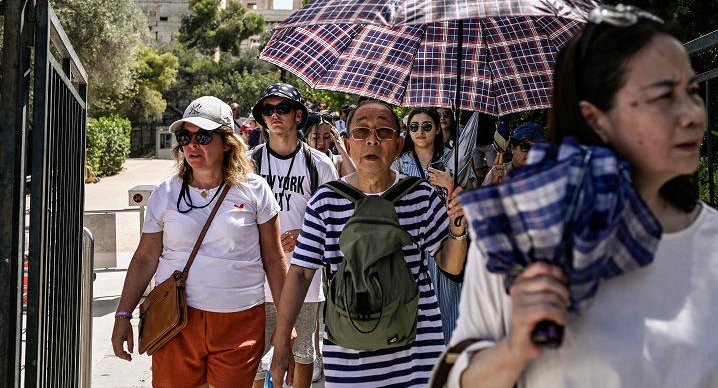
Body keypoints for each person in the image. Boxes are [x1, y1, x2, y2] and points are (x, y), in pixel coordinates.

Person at [442, 5, 718, 387]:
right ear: (596, 118)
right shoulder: (522, 234)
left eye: (693, 91)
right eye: (664, 96)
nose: (693, 115)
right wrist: (515, 348)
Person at [270, 100, 469, 388]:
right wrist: (282, 342)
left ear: (398, 145)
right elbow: (300, 274)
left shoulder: (421, 196)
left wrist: (457, 227)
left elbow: (451, 264)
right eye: (362, 131)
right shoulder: (325, 201)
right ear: (348, 144)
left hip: (419, 354)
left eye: (384, 132)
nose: (372, 139)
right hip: (349, 358)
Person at [111, 96, 287, 388]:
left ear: (227, 141)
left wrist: (285, 322)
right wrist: (122, 314)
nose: (192, 144)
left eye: (203, 136)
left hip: (240, 320)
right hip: (175, 321)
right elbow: (145, 258)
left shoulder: (255, 190)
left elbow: (273, 258)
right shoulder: (166, 192)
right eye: (185, 137)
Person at [249, 83, 339, 388]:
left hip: (304, 278)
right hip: (255, 277)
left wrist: (307, 234)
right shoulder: (250, 163)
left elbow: (336, 222)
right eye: (268, 110)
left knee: (302, 351)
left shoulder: (319, 164)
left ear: (298, 115)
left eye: (283, 108)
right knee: (254, 354)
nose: (275, 115)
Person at [392, 107, 476, 345]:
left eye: (426, 126)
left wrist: (451, 185)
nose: (420, 132)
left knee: (447, 310)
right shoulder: (398, 165)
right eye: (414, 126)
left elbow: (469, 205)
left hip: (447, 245)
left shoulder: (454, 160)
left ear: (438, 128)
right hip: (410, 249)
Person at [482, 122, 546, 186]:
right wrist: (494, 182)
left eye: (537, 147)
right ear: (512, 148)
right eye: (525, 147)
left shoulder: (545, 173)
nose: (531, 153)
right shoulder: (498, 172)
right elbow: (483, 195)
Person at [303, 112, 356, 178]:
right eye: (316, 138)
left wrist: (343, 153)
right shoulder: (298, 162)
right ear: (306, 138)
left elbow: (357, 182)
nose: (322, 142)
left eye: (326, 137)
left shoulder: (338, 162)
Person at [472, 113, 497, 185]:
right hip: (475, 143)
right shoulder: (469, 108)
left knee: (492, 167)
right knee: (477, 168)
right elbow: (462, 126)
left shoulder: (490, 105)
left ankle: (487, 184)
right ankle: (481, 186)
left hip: (490, 142)